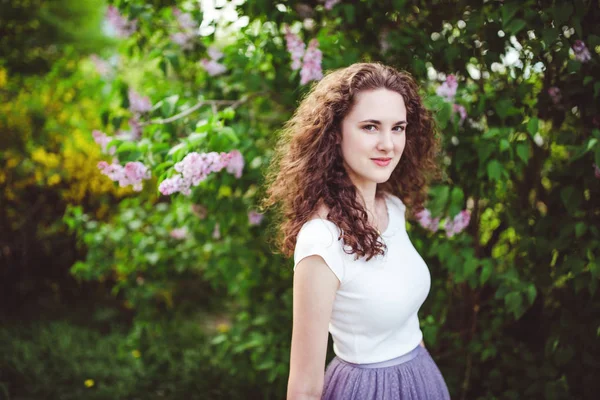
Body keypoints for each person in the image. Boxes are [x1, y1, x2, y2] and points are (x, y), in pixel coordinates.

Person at [261, 62, 451, 399]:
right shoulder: (321, 239)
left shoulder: (392, 207)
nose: (388, 144)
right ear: (335, 132)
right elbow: (303, 387)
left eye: (398, 128)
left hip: (421, 378)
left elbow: (405, 322)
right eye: (370, 127)